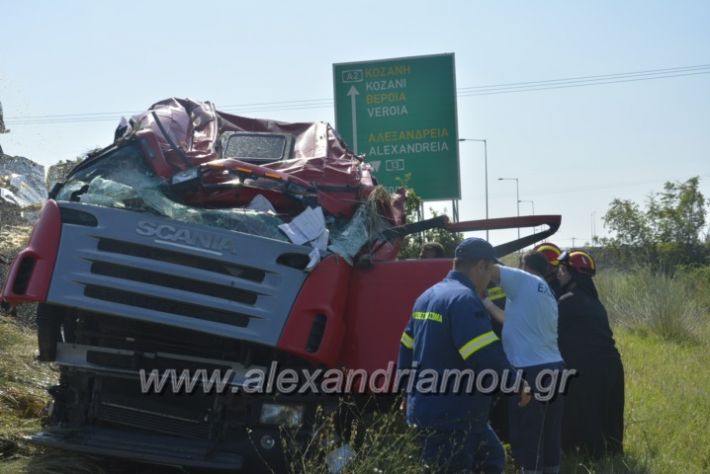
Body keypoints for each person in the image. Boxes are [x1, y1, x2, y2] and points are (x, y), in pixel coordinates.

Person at [398, 237, 530, 473]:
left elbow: (407, 347)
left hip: (430, 407)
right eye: (490, 270)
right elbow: (484, 353)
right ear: (481, 266)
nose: (490, 279)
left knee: (491, 458)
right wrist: (516, 383)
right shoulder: (464, 300)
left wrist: (407, 392)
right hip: (453, 414)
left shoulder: (427, 296)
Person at [482, 251, 565, 474]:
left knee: (526, 434)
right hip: (554, 367)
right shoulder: (543, 290)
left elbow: (487, 269)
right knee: (549, 432)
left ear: (523, 264)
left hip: (530, 370)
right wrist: (487, 303)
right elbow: (512, 323)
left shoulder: (522, 279)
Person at [557, 249, 624, 458]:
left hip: (589, 369)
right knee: (610, 416)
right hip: (612, 365)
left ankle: (592, 461)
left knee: (588, 414)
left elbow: (552, 333)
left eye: (561, 270)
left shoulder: (566, 301)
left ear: (571, 274)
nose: (558, 274)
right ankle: (613, 456)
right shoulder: (595, 302)